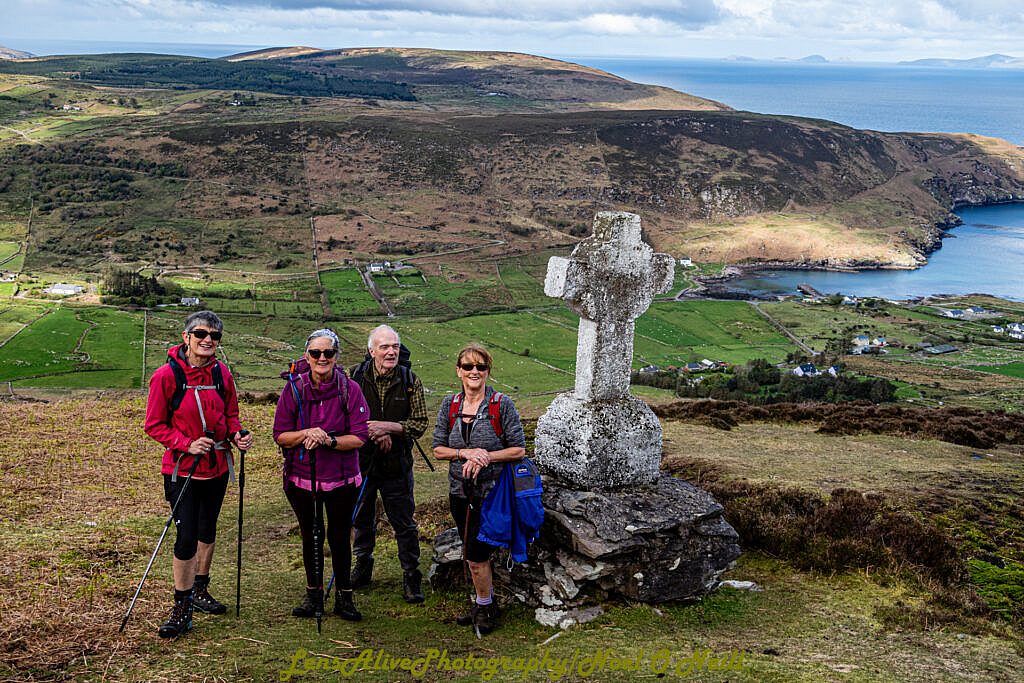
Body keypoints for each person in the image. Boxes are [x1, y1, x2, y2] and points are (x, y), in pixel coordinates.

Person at [144, 310, 253, 639]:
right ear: (186, 337)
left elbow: (231, 412)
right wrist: (186, 444)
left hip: (218, 467)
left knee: (207, 530)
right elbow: (154, 425)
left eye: (214, 336)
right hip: (182, 471)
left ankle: (200, 590)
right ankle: (182, 607)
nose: (208, 340)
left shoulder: (222, 374)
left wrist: (236, 434)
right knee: (186, 536)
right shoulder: (166, 376)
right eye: (201, 334)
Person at [274, 329, 369, 621]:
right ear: (307, 356)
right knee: (310, 534)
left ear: (336, 356)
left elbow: (360, 437)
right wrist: (306, 434)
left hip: (342, 478)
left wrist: (328, 440)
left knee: (339, 536)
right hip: (302, 477)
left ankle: (345, 597)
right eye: (316, 353)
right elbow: (280, 435)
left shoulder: (349, 389)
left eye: (328, 353)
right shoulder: (294, 389)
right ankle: (313, 594)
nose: (322, 358)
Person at [432, 343, 526, 635]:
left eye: (481, 367)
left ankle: (485, 605)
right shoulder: (450, 405)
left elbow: (518, 450)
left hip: (494, 495)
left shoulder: (501, 405)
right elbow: (437, 449)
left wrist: (486, 457)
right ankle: (483, 602)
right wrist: (466, 454)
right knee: (474, 553)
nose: (475, 372)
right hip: (459, 493)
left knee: (475, 555)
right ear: (458, 371)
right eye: (469, 366)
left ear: (488, 371)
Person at [350, 325, 429, 603]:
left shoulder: (409, 379)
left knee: (404, 521)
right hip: (362, 460)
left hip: (397, 463)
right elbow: (347, 417)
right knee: (361, 515)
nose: (391, 351)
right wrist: (372, 432)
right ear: (372, 351)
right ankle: (363, 564)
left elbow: (419, 423)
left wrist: (388, 428)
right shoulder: (356, 378)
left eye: (394, 346)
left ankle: (411, 575)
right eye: (384, 347)